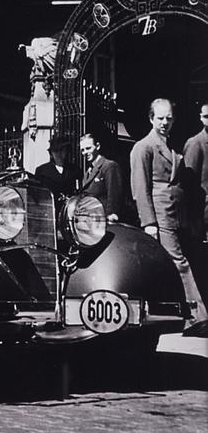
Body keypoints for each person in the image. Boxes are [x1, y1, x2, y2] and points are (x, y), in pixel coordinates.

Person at [130, 98, 208, 334]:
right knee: (179, 262)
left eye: (169, 118)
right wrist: (149, 222)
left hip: (177, 215)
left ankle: (177, 314)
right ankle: (196, 317)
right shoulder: (143, 147)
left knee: (175, 262)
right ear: (151, 119)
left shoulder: (171, 146)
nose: (165, 123)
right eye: (160, 118)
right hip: (160, 214)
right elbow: (140, 187)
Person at [79, 133, 124, 222]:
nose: (85, 152)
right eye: (82, 150)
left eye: (88, 148)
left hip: (104, 220)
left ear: (97, 146)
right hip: (91, 220)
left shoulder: (109, 166)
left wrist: (111, 214)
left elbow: (114, 195)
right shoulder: (88, 171)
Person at [183, 102, 208, 240]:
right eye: (207, 116)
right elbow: (189, 184)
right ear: (201, 118)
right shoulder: (196, 143)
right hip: (202, 215)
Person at [34, 134, 81, 200]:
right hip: (49, 205)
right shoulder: (41, 171)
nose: (59, 154)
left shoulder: (75, 170)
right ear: (51, 153)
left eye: (61, 150)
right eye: (56, 151)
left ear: (66, 151)